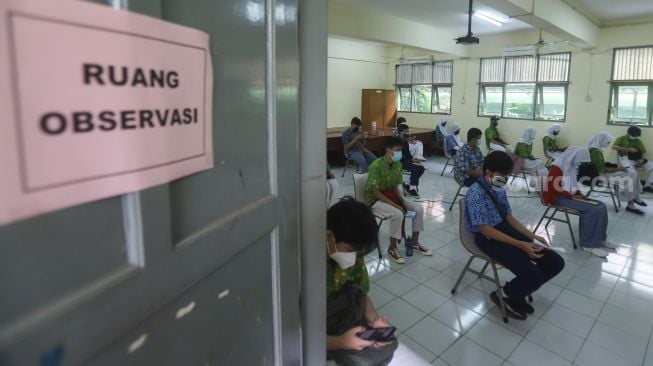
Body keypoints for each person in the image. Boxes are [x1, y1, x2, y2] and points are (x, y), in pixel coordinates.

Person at [326, 198, 431, 366]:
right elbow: (296, 330)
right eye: (349, 251)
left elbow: (360, 292)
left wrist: (374, 320)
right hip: (320, 332)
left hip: (343, 322)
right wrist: (340, 342)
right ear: (329, 236)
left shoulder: (353, 256)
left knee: (387, 344)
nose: (353, 259)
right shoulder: (305, 269)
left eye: (357, 253)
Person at [466, 151, 565, 319]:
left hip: (504, 230)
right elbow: (485, 229)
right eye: (503, 176)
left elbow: (509, 217)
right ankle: (505, 294)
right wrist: (521, 245)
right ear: (489, 173)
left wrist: (532, 237)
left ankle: (516, 291)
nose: (505, 179)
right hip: (488, 238)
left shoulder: (498, 188)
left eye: (508, 176)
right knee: (534, 275)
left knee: (555, 262)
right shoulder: (475, 193)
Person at [365, 137, 432, 264]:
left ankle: (415, 243)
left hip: (391, 195)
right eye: (397, 150)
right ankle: (392, 248)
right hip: (375, 200)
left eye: (401, 150)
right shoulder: (376, 166)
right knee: (398, 213)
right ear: (388, 150)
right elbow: (376, 192)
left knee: (418, 208)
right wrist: (396, 206)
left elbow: (395, 186)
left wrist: (402, 201)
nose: (399, 153)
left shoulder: (397, 164)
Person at [543, 147, 615, 258]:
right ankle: (588, 245)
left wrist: (579, 195)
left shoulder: (570, 166)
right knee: (591, 210)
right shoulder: (557, 167)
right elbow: (555, 186)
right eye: (579, 160)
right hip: (556, 197)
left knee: (601, 206)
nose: (580, 163)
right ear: (573, 156)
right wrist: (571, 196)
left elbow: (572, 185)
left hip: (567, 195)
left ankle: (600, 239)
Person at [588, 131, 647, 216]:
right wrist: (618, 168)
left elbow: (600, 165)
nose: (608, 144)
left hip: (603, 173)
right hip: (602, 176)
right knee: (631, 175)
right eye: (607, 142)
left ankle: (634, 199)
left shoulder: (594, 149)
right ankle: (633, 202)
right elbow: (601, 169)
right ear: (601, 140)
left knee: (632, 173)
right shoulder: (596, 152)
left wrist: (616, 168)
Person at [612, 126, 653, 194]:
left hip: (637, 159)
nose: (635, 137)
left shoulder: (638, 141)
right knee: (632, 172)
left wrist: (642, 160)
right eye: (633, 135)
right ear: (628, 133)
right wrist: (627, 149)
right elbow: (613, 147)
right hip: (625, 159)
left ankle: (647, 186)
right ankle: (638, 188)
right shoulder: (621, 139)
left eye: (636, 136)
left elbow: (643, 152)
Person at [397, 124, 425, 197]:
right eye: (405, 132)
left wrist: (414, 159)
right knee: (416, 169)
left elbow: (407, 153)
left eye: (408, 131)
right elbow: (397, 155)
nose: (407, 133)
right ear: (400, 132)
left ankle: (407, 184)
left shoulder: (405, 141)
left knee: (421, 168)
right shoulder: (396, 140)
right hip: (398, 161)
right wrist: (410, 160)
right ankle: (412, 188)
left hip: (405, 161)